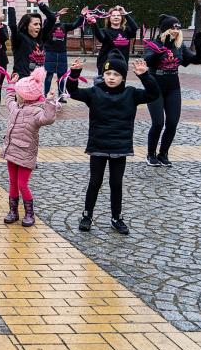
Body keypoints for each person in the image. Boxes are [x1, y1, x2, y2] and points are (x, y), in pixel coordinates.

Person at [67, 52, 159, 235]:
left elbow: (153, 94)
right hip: (98, 145)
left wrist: (144, 75)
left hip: (120, 147)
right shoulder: (94, 93)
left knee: (116, 183)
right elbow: (74, 92)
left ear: (123, 77)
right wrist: (75, 75)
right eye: (108, 74)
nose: (111, 77)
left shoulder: (131, 94)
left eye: (116, 74)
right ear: (103, 74)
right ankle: (87, 215)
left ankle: (117, 217)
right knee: (95, 181)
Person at [0, 68, 58, 227]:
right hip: (12, 151)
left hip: (26, 154)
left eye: (18, 92)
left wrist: (50, 102)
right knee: (12, 182)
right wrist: (11, 85)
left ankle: (29, 213)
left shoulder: (36, 112)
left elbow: (48, 118)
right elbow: (9, 99)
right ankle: (13, 211)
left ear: (25, 96)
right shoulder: (16, 107)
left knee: (22, 184)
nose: (16, 94)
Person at [143, 15, 201, 167]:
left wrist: (199, 47)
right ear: (164, 30)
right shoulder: (153, 44)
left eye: (178, 28)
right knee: (158, 123)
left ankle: (163, 153)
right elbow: (148, 61)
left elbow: (196, 60)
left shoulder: (179, 46)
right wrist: (164, 47)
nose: (176, 31)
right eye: (172, 27)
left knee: (172, 123)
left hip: (173, 87)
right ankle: (151, 154)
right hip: (155, 85)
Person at [38, 2, 84, 96]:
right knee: (49, 76)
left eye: (58, 16)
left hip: (62, 54)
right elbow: (50, 18)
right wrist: (57, 13)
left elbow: (76, 24)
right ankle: (46, 94)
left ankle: (61, 95)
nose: (57, 17)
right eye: (55, 15)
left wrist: (82, 15)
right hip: (50, 53)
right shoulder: (48, 25)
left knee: (62, 76)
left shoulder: (64, 26)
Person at [7, 0, 47, 80]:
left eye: (39, 24)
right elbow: (13, 26)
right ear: (26, 26)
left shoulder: (40, 39)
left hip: (36, 81)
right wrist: (11, 5)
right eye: (35, 24)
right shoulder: (20, 39)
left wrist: (39, 3)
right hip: (22, 80)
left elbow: (52, 19)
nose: (39, 27)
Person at [91, 6, 138, 76]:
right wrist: (94, 23)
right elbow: (100, 37)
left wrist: (125, 13)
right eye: (113, 15)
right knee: (103, 86)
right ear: (109, 18)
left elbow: (135, 28)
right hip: (106, 64)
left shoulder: (127, 31)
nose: (116, 17)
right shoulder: (105, 31)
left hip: (122, 64)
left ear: (122, 18)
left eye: (118, 15)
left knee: (120, 85)